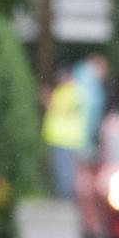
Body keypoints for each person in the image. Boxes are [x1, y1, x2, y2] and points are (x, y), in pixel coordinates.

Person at [42, 68, 85, 199]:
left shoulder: (72, 92)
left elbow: (60, 110)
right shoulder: (64, 91)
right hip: (60, 138)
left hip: (65, 139)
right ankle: (64, 196)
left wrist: (46, 99)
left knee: (64, 170)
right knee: (61, 169)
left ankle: (66, 197)